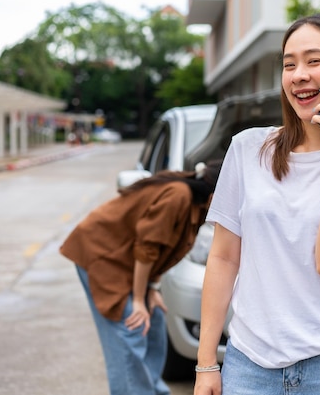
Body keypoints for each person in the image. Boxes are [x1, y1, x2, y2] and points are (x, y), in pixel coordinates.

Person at [194, 13, 320, 395]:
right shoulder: (247, 149)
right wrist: (206, 363)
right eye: (289, 65)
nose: (298, 75)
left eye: (314, 61)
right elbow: (224, 257)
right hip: (250, 365)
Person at [60, 160, 222, 395]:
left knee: (154, 319)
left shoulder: (196, 207)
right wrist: (138, 300)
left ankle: (149, 390)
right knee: (131, 326)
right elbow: (147, 248)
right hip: (104, 256)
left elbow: (164, 251)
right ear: (214, 195)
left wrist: (152, 289)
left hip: (127, 262)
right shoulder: (178, 196)